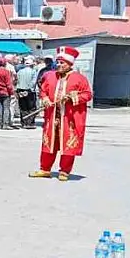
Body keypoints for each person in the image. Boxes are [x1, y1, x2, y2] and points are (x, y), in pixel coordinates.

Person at [30, 47, 92, 181]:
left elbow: (87, 95)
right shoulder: (50, 76)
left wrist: (72, 97)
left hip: (69, 117)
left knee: (68, 143)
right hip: (52, 116)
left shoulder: (79, 78)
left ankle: (64, 171)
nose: (59, 65)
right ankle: (45, 169)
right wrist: (45, 99)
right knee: (49, 142)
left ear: (69, 64)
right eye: (57, 62)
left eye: (62, 63)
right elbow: (43, 91)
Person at [16, 57, 39, 128]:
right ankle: (30, 123)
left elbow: (17, 81)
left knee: (23, 107)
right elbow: (33, 82)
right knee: (31, 107)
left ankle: (24, 122)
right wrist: (30, 89)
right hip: (30, 91)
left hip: (20, 90)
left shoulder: (19, 71)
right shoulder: (33, 71)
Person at [0, 57, 16, 129]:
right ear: (5, 63)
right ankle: (5, 124)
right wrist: (12, 92)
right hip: (5, 92)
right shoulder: (6, 72)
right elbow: (9, 84)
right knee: (6, 108)